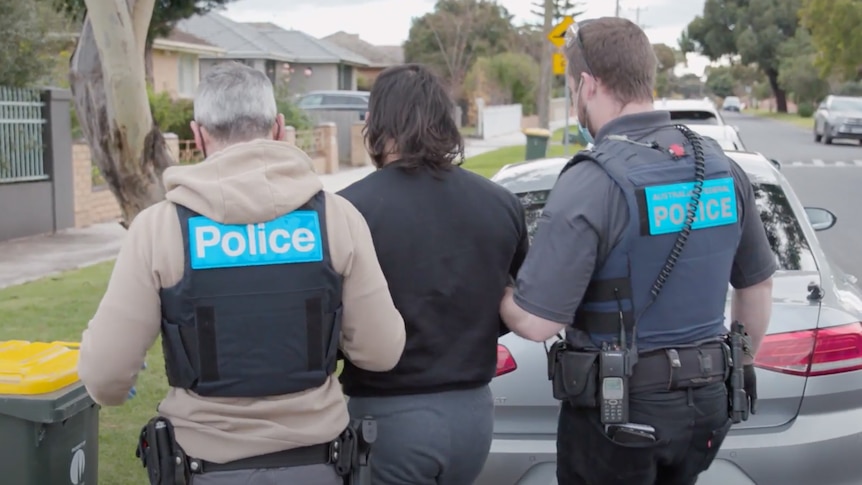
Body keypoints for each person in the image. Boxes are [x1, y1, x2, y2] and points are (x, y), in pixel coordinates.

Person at [77, 61, 406, 485]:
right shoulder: (338, 220)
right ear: (279, 128)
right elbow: (381, 352)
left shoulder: (159, 229)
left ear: (197, 135)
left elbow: (105, 379)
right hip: (318, 464)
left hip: (204, 467)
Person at [498, 17, 775, 485]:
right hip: (707, 407)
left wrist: (496, 286)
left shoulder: (592, 179)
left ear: (587, 85)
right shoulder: (718, 167)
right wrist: (741, 363)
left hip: (619, 416)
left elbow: (535, 321)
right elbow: (757, 286)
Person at [337, 63, 530, 485]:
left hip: (388, 417)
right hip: (473, 417)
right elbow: (512, 295)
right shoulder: (500, 204)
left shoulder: (347, 211)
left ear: (379, 124)